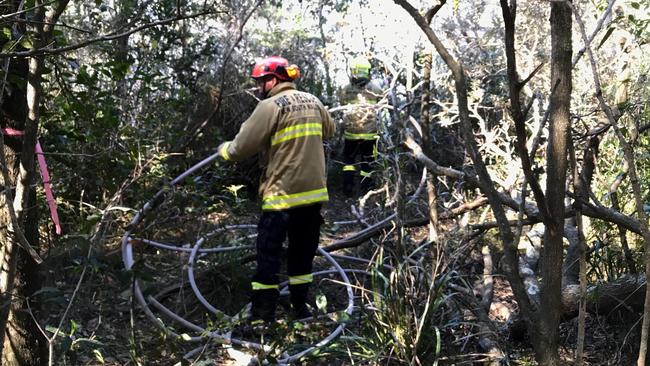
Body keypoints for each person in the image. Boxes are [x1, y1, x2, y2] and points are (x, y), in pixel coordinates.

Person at [217, 56, 336, 323]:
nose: (260, 87)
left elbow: (240, 148)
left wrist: (222, 150)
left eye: (261, 82)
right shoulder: (314, 101)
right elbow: (330, 130)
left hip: (281, 196)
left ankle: (263, 315)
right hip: (313, 195)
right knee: (302, 254)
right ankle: (300, 308)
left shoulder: (269, 106)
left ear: (273, 80)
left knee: (268, 255)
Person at [339, 56, 384, 197]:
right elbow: (383, 107)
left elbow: (341, 106)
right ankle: (366, 188)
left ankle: (348, 187)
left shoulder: (345, 89)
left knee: (349, 162)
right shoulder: (376, 89)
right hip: (370, 134)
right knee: (368, 162)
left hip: (350, 134)